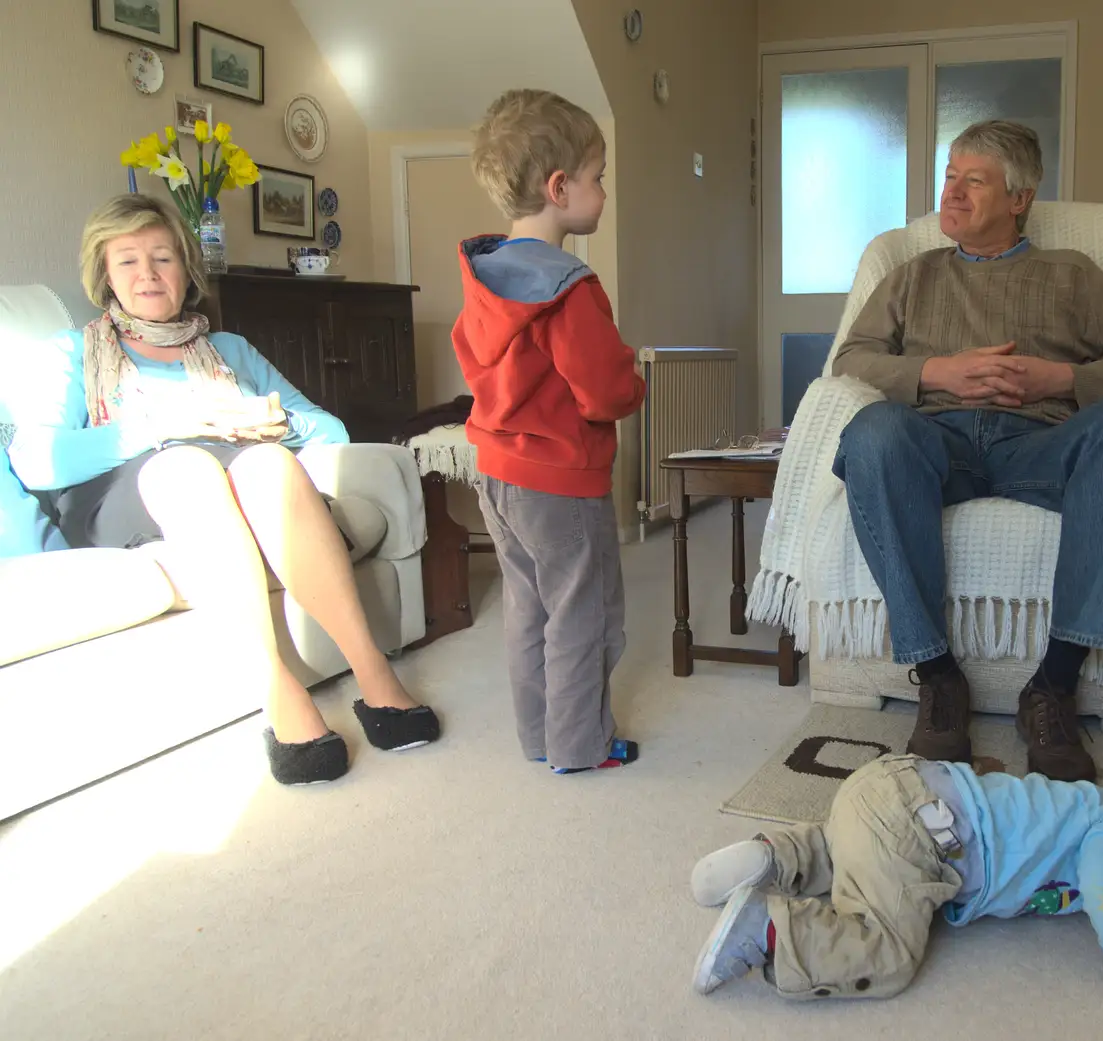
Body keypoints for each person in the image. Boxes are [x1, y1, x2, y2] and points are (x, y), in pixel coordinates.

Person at [4, 194, 440, 785]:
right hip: (125, 492)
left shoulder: (229, 351)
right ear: (104, 276)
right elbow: (36, 462)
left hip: (233, 467)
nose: (149, 274)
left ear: (186, 268)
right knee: (185, 467)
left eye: (162, 257)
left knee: (270, 467)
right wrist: (173, 422)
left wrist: (270, 423)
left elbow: (329, 429)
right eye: (128, 260)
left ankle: (374, 676)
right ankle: (280, 695)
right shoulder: (72, 354)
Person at [830, 119, 1103, 783]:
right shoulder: (912, 277)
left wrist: (1065, 379)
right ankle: (938, 676)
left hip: (1042, 442)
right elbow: (853, 358)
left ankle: (1053, 685)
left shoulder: (1072, 274)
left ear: (1020, 199)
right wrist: (938, 372)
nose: (953, 193)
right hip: (935, 441)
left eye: (975, 180)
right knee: (871, 433)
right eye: (950, 175)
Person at [688, 754, 1103, 1021]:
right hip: (923, 828)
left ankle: (774, 859)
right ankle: (767, 930)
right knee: (887, 951)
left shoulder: (1092, 831)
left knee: (848, 854)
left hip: (888, 792)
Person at [455, 88, 646, 774]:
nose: (603, 191)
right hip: (561, 480)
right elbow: (604, 390)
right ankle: (580, 743)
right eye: (599, 177)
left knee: (526, 604)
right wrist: (635, 381)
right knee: (583, 609)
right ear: (559, 187)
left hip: (497, 474)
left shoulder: (488, 274)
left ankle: (537, 734)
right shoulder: (569, 285)